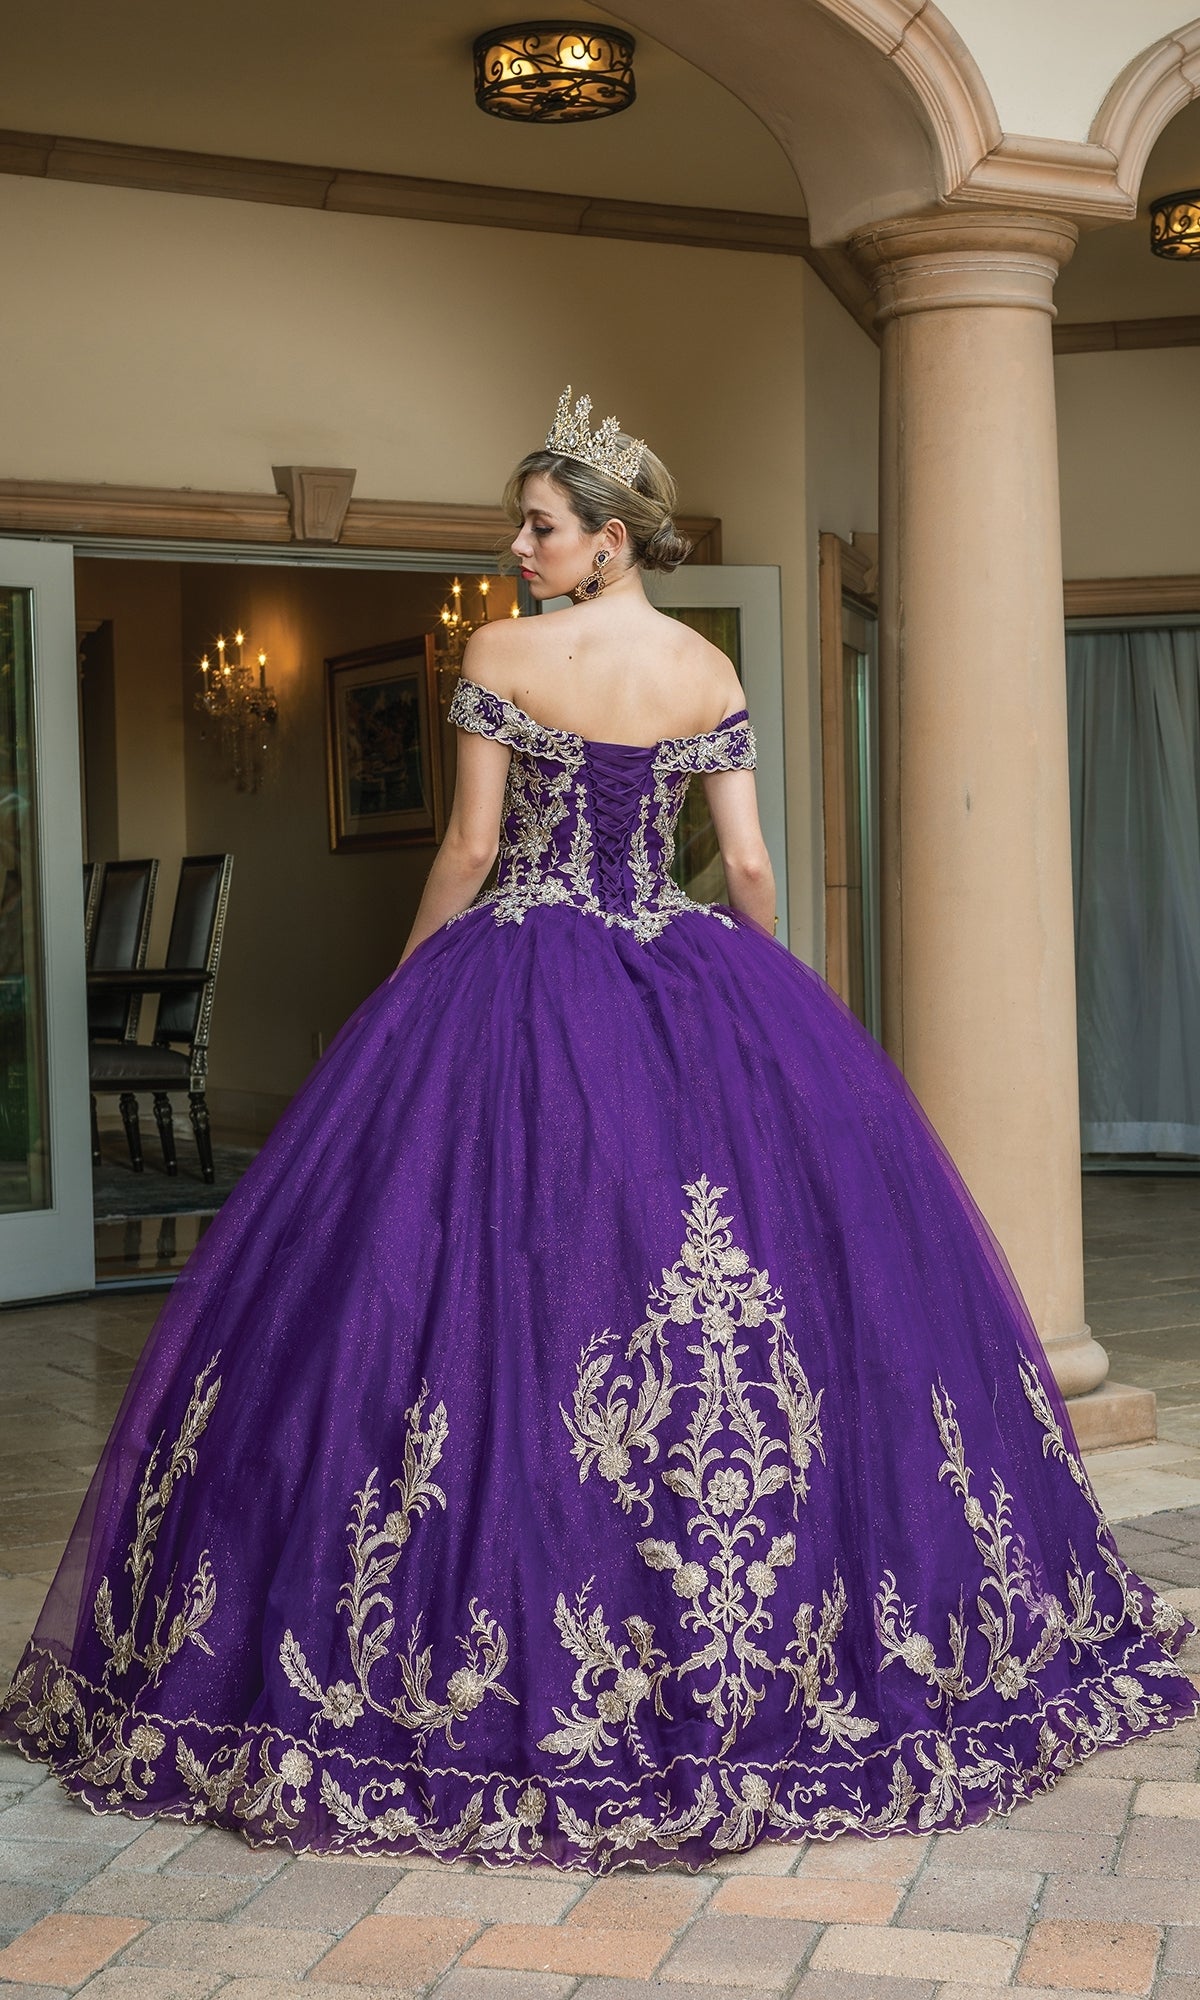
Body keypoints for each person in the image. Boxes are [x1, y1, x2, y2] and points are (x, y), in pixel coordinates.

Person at [2, 388, 1195, 1875]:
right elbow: (748, 868)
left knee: (499, 1282)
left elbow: (472, 848)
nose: (517, 550)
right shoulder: (708, 667)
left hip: (519, 974)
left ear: (609, 538)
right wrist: (776, 1010)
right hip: (686, 972)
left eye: (541, 526)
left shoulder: (505, 656)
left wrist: (403, 988)